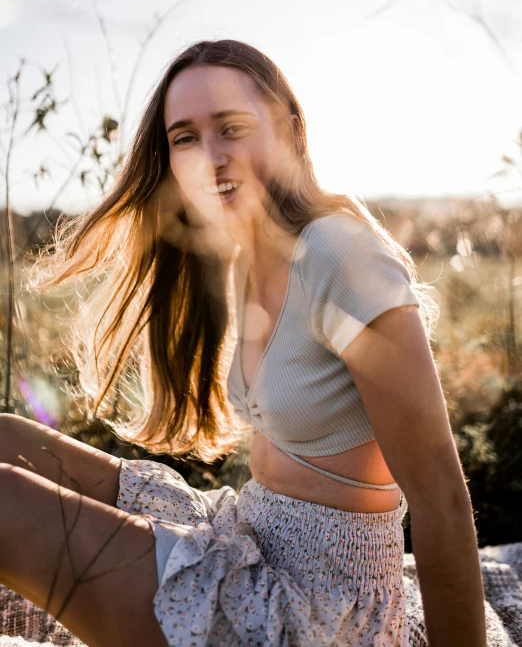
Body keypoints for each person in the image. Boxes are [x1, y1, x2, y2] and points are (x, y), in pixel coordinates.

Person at [1, 39, 487, 646]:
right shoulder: (245, 259)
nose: (210, 157)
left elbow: (442, 500)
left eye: (230, 128)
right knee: (6, 438)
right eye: (184, 137)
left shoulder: (338, 254)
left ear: (286, 130)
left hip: (323, 604)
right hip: (249, 533)